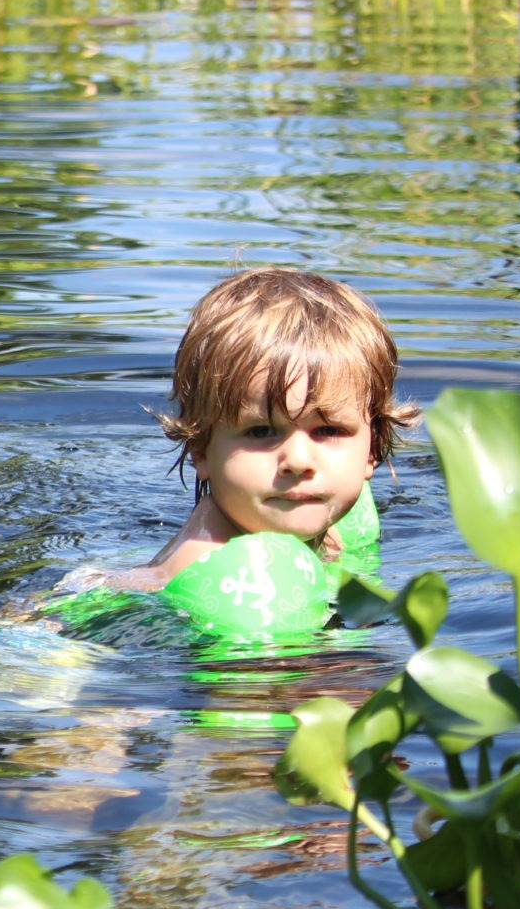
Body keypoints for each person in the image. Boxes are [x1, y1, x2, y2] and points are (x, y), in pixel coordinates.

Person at [51, 268, 417, 635]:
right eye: (261, 431)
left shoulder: (330, 528)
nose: (299, 461)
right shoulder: (214, 567)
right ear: (202, 451)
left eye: (329, 430)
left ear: (373, 448)